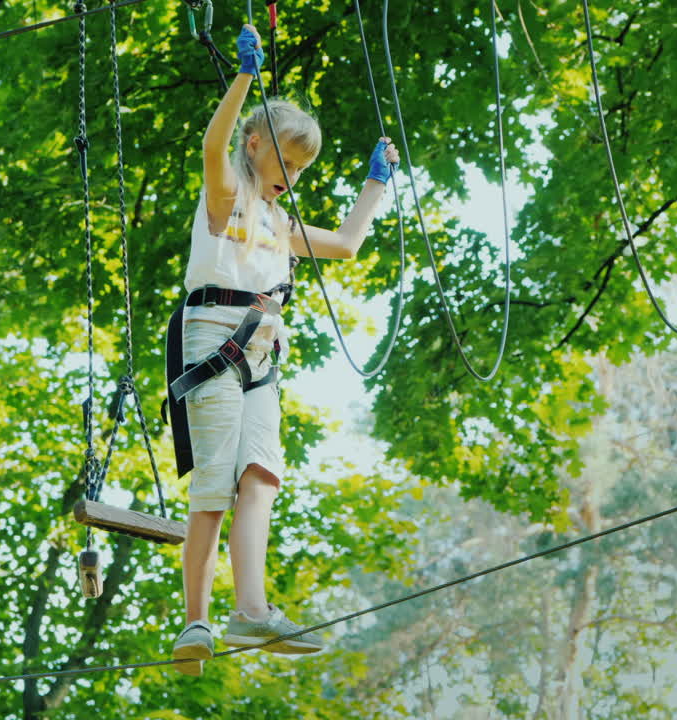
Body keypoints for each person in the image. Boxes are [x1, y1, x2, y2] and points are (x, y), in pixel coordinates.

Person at [165, 23, 399, 676]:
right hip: (213, 340)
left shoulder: (277, 223)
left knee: (261, 475)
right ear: (256, 145)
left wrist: (375, 186)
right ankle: (197, 619)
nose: (292, 179)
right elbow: (216, 143)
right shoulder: (225, 194)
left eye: (300, 170)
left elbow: (348, 244)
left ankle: (253, 611)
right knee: (215, 481)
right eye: (286, 164)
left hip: (264, 356)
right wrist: (244, 78)